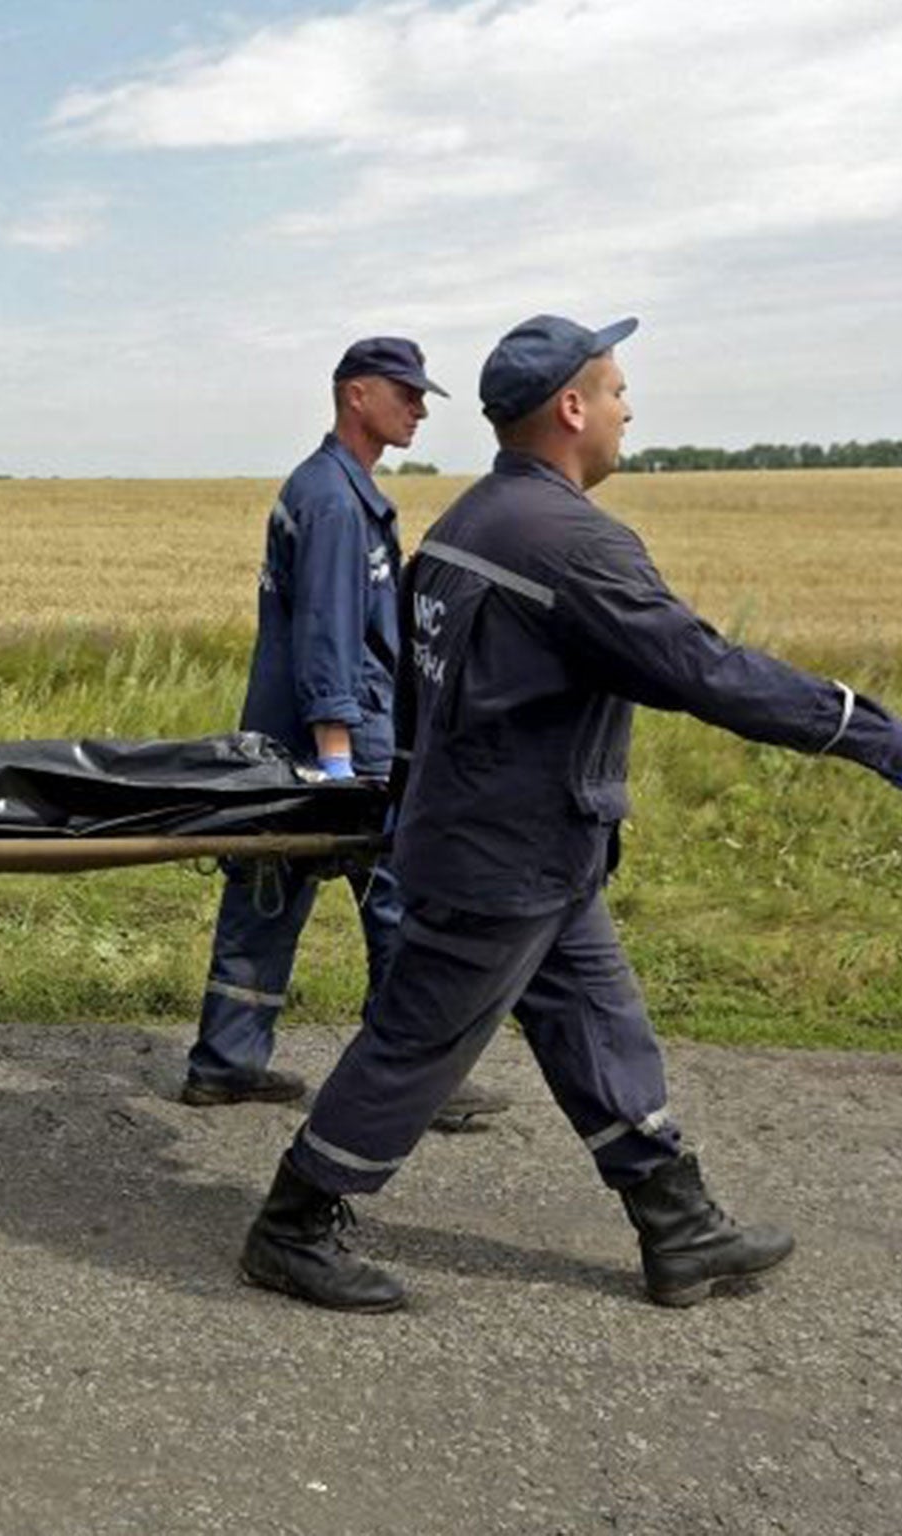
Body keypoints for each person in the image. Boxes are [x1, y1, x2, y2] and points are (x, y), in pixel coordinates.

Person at [237, 314, 902, 1312]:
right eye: (614, 393)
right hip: (500, 855)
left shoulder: (466, 525)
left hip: (528, 844)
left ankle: (678, 1224)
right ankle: (292, 1224)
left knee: (600, 1026)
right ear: (569, 409)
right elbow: (701, 669)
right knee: (417, 1040)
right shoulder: (570, 545)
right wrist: (868, 733)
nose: (626, 410)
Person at [184, 338, 510, 1135]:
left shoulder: (334, 488)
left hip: (301, 736)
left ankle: (226, 1064)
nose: (421, 408)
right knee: (398, 900)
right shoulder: (333, 500)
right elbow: (329, 635)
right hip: (339, 741)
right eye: (406, 393)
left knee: (269, 890)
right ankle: (413, 1080)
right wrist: (337, 759)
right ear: (357, 395)